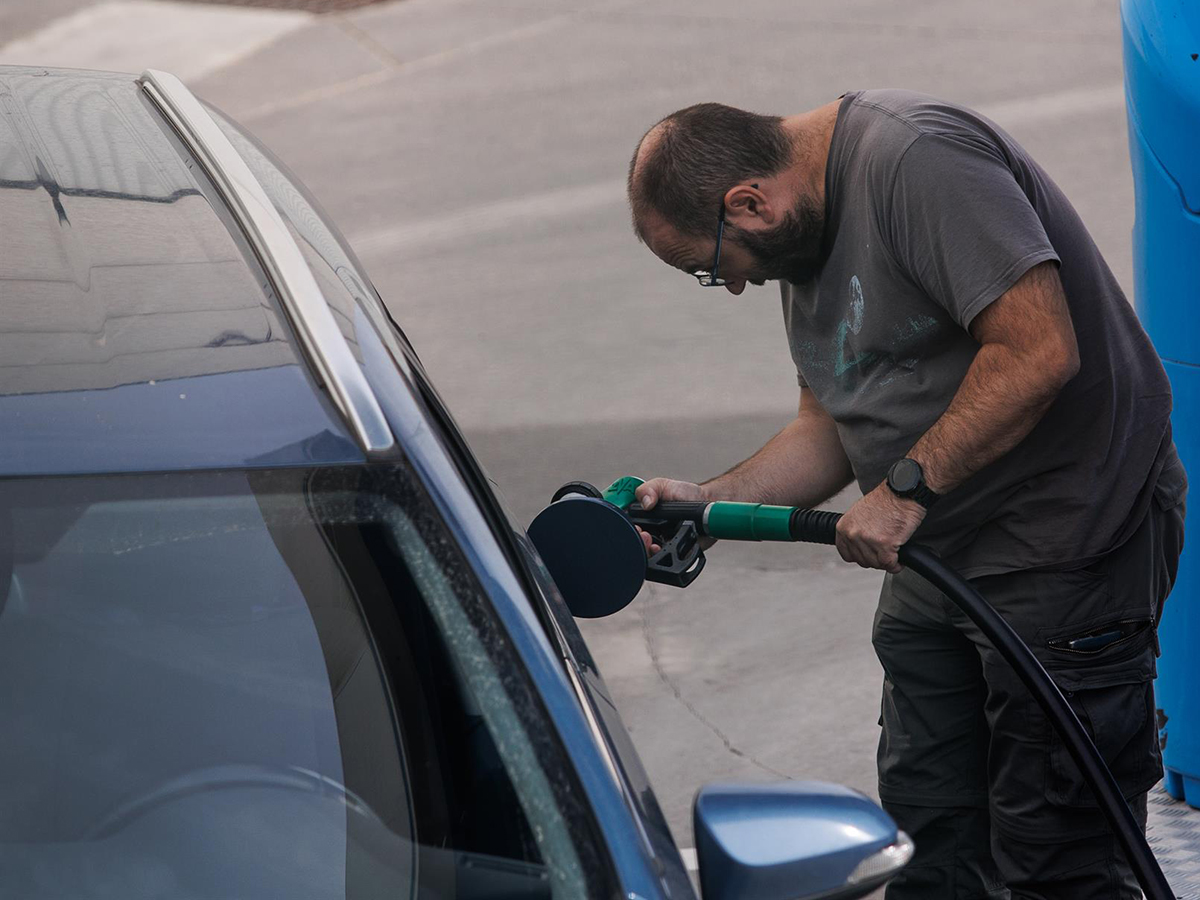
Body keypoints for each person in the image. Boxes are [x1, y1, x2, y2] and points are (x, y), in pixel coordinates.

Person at [625, 91, 1187, 899]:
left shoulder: (919, 161)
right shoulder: (801, 232)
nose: (736, 287)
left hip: (1065, 543)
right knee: (930, 841)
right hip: (938, 562)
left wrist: (904, 490)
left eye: (712, 268)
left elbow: (1038, 350)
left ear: (749, 202)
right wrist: (706, 504)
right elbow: (830, 424)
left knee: (1057, 858)